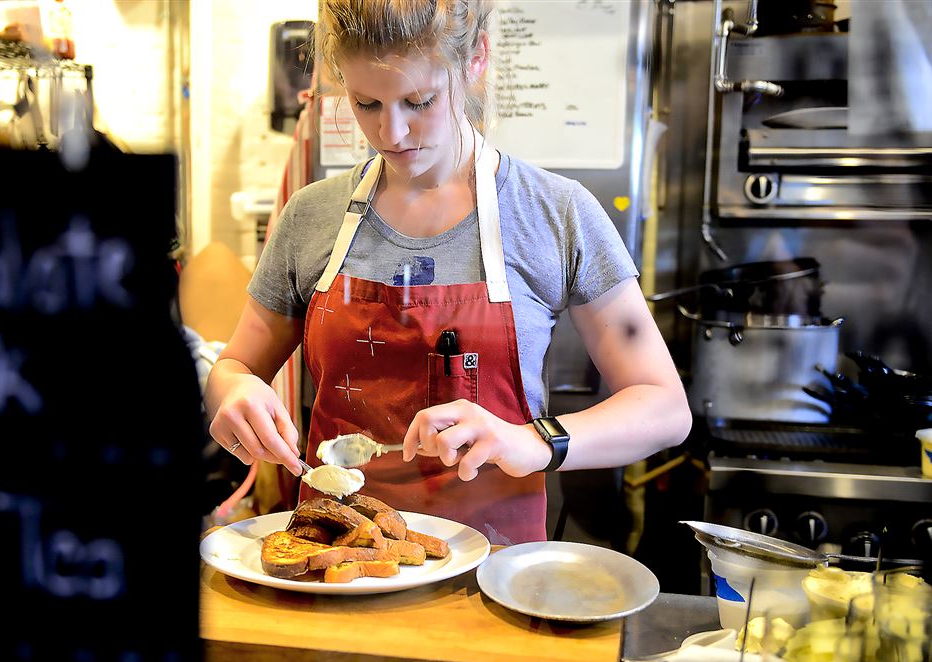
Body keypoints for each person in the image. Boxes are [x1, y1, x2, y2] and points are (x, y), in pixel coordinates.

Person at [205, 0, 691, 545]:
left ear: (476, 59)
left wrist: (530, 441)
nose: (391, 132)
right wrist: (233, 391)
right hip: (334, 562)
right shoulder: (311, 217)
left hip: (489, 576)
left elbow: (664, 407)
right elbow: (234, 367)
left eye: (419, 101)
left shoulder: (555, 214)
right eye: (366, 103)